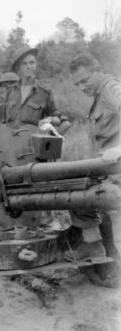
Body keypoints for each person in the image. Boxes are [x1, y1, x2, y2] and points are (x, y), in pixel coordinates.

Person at [65, 53, 121, 263]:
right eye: (77, 84)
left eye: (85, 80)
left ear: (98, 70)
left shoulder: (110, 88)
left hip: (117, 174)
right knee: (72, 189)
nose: (81, 87)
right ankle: (92, 245)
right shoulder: (98, 96)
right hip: (105, 173)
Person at [5, 46, 61, 130]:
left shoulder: (45, 91)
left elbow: (57, 118)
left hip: (31, 141)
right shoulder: (10, 91)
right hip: (9, 140)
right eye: (24, 63)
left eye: (32, 63)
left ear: (36, 65)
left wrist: (49, 119)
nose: (29, 66)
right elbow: (2, 119)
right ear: (18, 68)